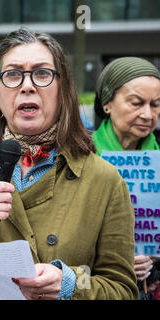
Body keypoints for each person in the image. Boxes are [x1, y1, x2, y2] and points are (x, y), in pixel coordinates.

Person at [0, 28, 138, 300]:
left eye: (42, 73)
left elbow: (123, 290)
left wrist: (69, 283)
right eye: (12, 74)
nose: (27, 85)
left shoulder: (105, 180)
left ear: (63, 94)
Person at [92, 57, 160, 299]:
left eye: (155, 104)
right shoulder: (80, 156)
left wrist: (151, 255)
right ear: (108, 103)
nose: (147, 114)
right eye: (136, 103)